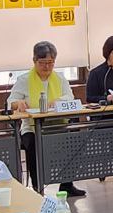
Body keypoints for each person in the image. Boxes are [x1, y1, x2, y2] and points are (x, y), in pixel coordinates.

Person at [7, 41, 84, 198]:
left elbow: (70, 97)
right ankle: (38, 187)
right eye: (42, 63)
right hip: (32, 127)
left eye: (50, 62)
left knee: (74, 141)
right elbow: (10, 102)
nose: (47, 67)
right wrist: (18, 103)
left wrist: (57, 102)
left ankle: (67, 185)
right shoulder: (24, 80)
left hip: (58, 126)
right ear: (34, 61)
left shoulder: (60, 78)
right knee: (32, 145)